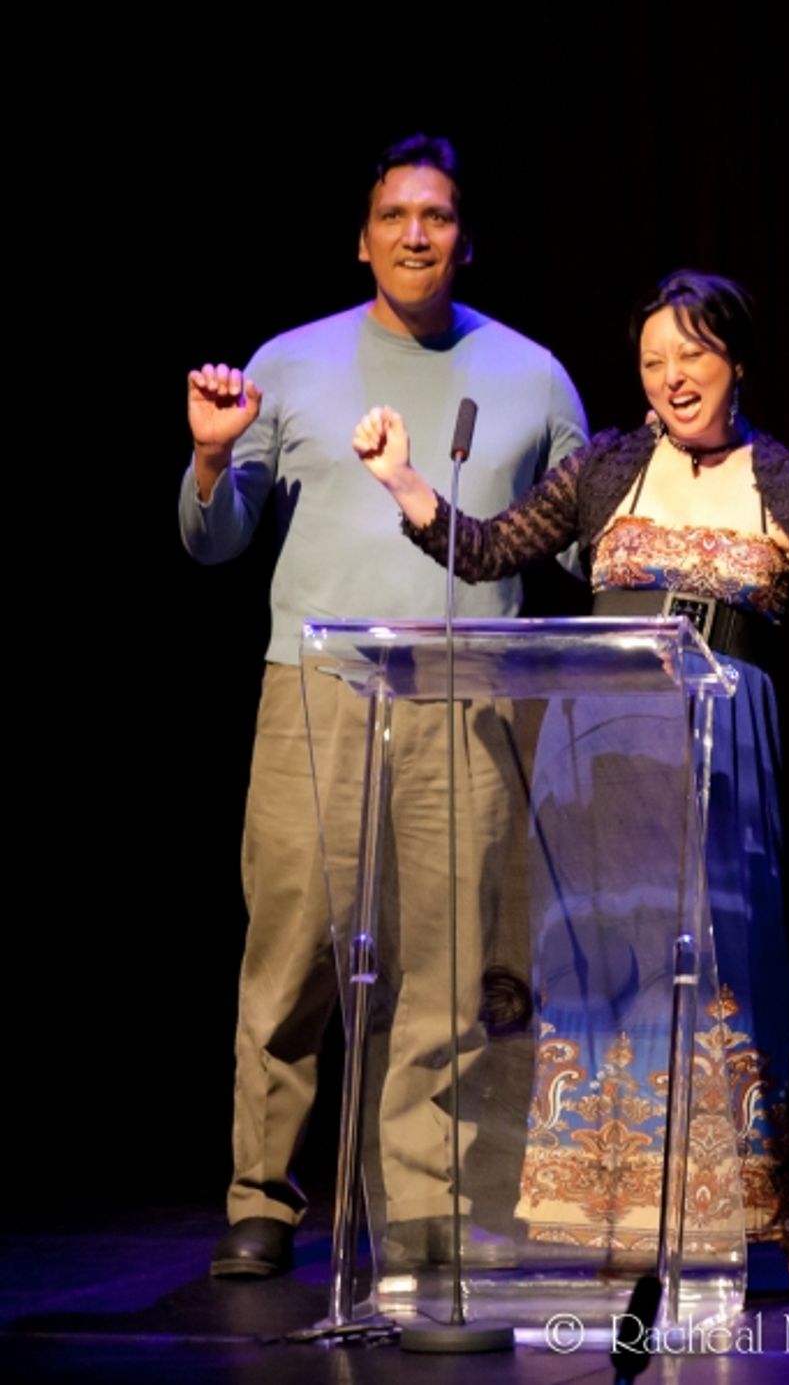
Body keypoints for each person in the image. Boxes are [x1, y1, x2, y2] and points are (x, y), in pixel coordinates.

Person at [352, 269, 789, 1301]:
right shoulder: (608, 467)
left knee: (735, 984)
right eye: (654, 361)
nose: (672, 378)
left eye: (692, 356)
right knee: (605, 982)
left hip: (721, 755)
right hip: (602, 756)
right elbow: (485, 549)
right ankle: (619, 1218)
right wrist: (401, 479)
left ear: (736, 360)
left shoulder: (786, 477)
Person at [179, 134, 588, 1279]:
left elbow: (592, 532)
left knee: (451, 961)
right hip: (317, 690)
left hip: (470, 700)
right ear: (363, 240)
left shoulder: (534, 375)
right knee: (293, 945)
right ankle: (261, 1196)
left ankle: (424, 1207)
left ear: (467, 240)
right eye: (396, 216)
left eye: (439, 216)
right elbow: (213, 542)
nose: (418, 233)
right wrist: (212, 463)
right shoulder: (291, 363)